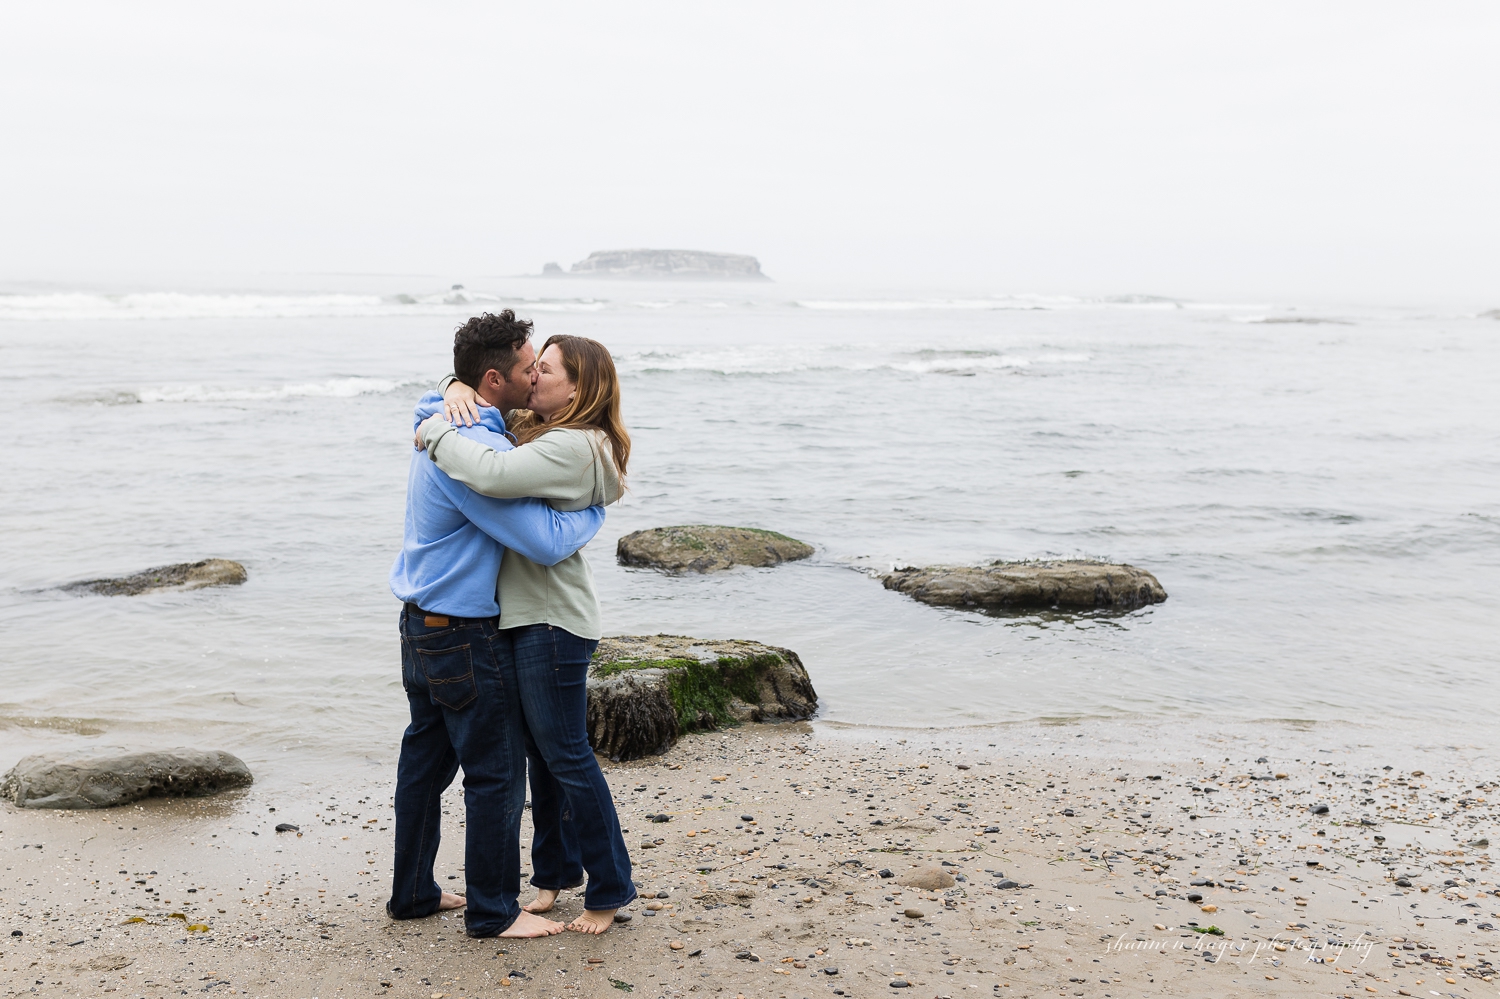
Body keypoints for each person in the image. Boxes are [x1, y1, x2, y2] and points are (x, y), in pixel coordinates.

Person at [389, 311, 605, 939]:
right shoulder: (470, 448)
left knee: (425, 766)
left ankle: (413, 894)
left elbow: (439, 397)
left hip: (419, 624)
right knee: (495, 773)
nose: (536, 374)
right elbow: (540, 542)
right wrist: (594, 510)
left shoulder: (453, 415)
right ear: (494, 379)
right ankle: (492, 912)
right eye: (527, 367)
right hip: (459, 631)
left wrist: (446, 391)